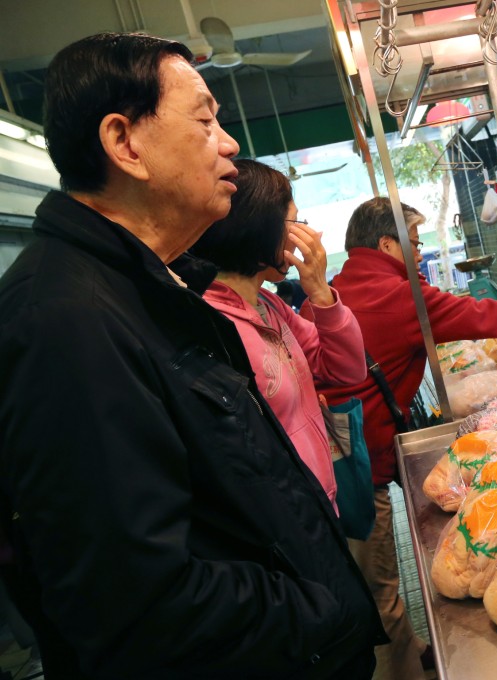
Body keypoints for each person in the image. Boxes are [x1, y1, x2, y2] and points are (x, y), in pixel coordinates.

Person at [0, 33, 384, 677]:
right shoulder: (65, 320)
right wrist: (318, 610)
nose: (230, 143)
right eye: (205, 121)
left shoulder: (159, 283)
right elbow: (134, 600)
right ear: (126, 144)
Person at [311, 196, 497, 680]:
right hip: (357, 465)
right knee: (381, 590)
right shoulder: (393, 293)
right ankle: (403, 671)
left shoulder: (345, 286)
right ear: (387, 244)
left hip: (337, 457)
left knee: (369, 583)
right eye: (412, 241)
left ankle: (409, 656)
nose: (419, 249)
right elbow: (478, 314)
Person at [189, 159, 367, 514]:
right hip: (289, 520)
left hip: (320, 501)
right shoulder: (211, 324)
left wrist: (321, 294)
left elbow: (347, 370)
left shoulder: (269, 305)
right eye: (296, 222)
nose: (308, 235)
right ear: (261, 228)